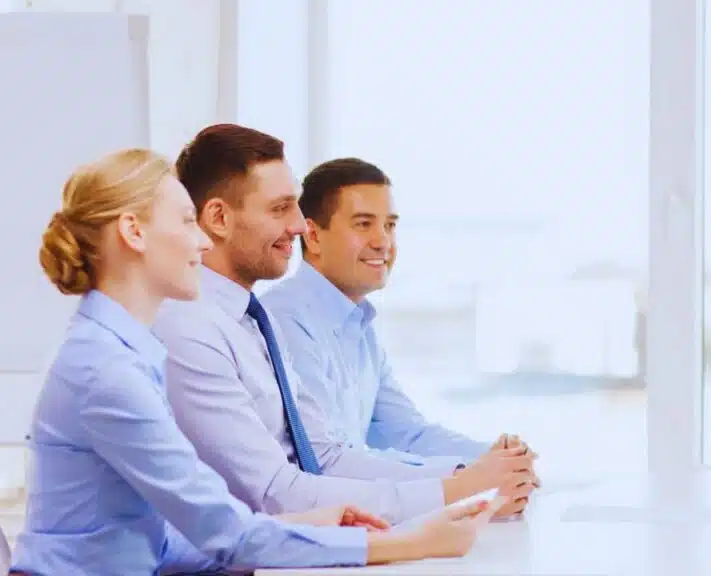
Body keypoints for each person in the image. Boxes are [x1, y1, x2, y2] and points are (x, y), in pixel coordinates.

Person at [10, 148, 504, 576]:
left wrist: (300, 526)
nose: (203, 241)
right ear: (134, 233)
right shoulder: (107, 373)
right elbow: (226, 535)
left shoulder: (122, 352)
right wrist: (410, 543)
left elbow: (161, 541)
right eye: (186, 221)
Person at [152, 124, 533, 525]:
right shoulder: (191, 327)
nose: (300, 226)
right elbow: (276, 494)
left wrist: (475, 476)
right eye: (280, 208)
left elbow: (325, 456)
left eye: (389, 225)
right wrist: (459, 488)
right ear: (218, 218)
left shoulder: (254, 323)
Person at [259, 157, 538, 515]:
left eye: (390, 226)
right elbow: (326, 461)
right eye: (364, 224)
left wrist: (500, 459)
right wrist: (466, 477)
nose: (382, 242)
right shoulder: (285, 318)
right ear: (313, 236)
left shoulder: (358, 322)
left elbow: (405, 432)